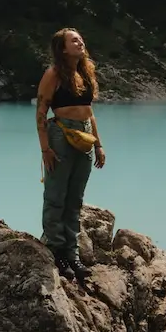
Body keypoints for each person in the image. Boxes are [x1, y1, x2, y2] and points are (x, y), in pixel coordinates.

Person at [36, 27, 106, 283]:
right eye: (73, 40)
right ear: (62, 48)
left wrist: (98, 144)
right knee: (56, 195)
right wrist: (46, 149)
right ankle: (56, 251)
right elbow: (41, 112)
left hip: (85, 135)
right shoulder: (53, 74)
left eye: (80, 38)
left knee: (75, 197)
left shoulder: (85, 73)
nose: (80, 42)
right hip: (60, 135)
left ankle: (72, 253)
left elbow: (89, 111)